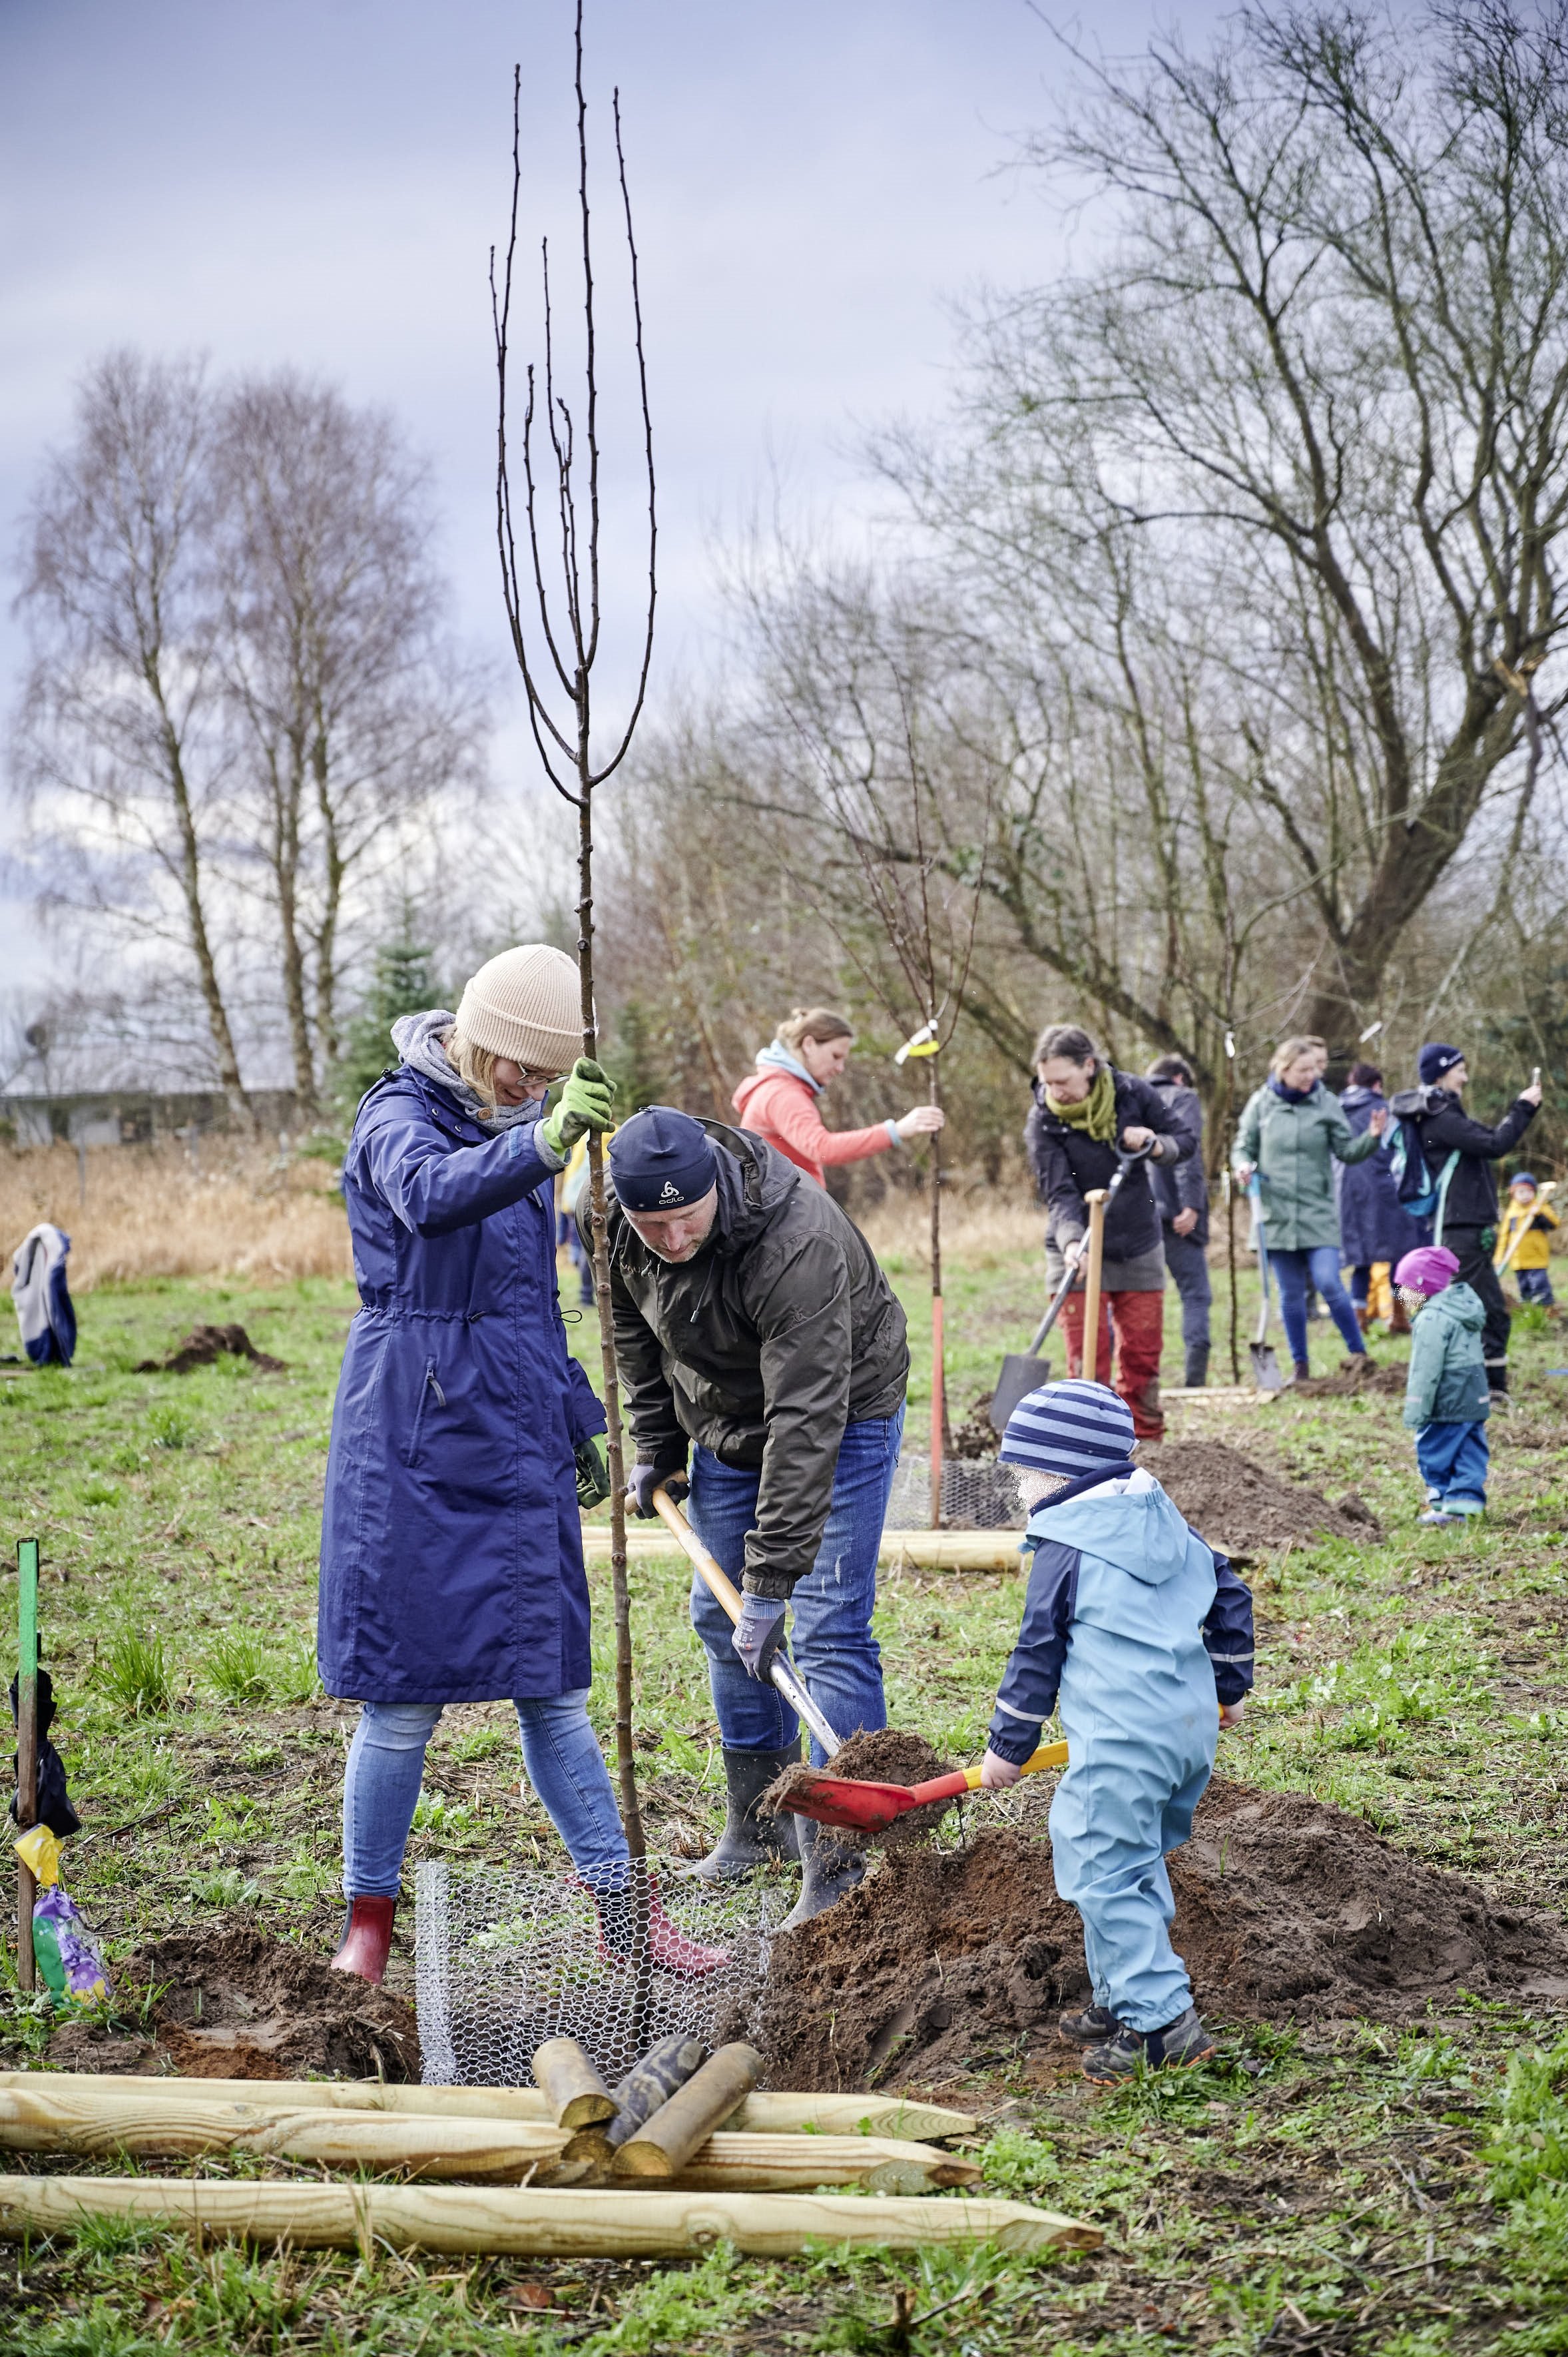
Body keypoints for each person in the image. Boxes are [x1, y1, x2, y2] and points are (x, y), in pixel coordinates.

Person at [319, 945, 724, 1986]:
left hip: (515, 1435)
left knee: (552, 1689)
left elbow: (530, 1305)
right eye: (518, 1067)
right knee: (401, 1697)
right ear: (476, 1036)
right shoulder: (397, 1113)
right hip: (413, 1439)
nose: (528, 1087)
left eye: (546, 1077)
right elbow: (429, 1195)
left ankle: (625, 1916)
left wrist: (572, 1416)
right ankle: (369, 1918)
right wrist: (541, 1143)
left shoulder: (523, 1125)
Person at [602, 1104, 909, 1928]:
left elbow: (807, 1418)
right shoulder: (621, 1227)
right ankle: (760, 1823)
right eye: (652, 1225)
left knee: (829, 1626)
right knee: (722, 1614)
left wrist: (771, 1580)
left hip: (842, 1411)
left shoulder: (795, 1239)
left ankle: (841, 1864)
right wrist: (659, 1442)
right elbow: (634, 1332)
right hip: (725, 1417)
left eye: (687, 1219)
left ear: (715, 1184)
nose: (672, 1239)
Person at [977, 1379, 1254, 2081]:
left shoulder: (1065, 1546)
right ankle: (1120, 1996)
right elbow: (1230, 1592)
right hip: (1186, 1732)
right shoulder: (1163, 1519)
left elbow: (1036, 1652)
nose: (1020, 1489)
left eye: (1025, 1473)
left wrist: (1007, 1747)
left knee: (1100, 1866)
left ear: (1061, 1475)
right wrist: (1227, 1689)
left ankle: (1163, 2025)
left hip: (1122, 1743)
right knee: (1131, 1861)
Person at [1025, 1024, 1198, 1441]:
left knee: (1142, 1351)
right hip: (1076, 1245)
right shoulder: (1043, 1120)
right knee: (1088, 1354)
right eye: (1048, 1083)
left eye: (1062, 1081)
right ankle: (1090, 1442)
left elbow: (1185, 1140)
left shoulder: (1133, 1094)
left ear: (1089, 1066)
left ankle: (1146, 1440)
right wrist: (1072, 1242)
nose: (1054, 1092)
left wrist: (1155, 1144)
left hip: (1137, 1240)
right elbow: (1059, 1192)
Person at [1232, 1036, 1386, 1383]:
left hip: (1317, 1212)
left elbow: (1347, 1151)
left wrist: (1372, 1138)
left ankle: (1359, 1356)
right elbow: (1243, 1146)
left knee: (1329, 1282)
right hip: (1276, 1215)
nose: (1311, 1076)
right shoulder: (1261, 1103)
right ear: (1283, 1069)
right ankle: (1300, 1368)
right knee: (1290, 1295)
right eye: (1303, 1070)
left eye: (1314, 1069)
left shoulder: (1326, 1102)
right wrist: (1242, 1165)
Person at [1392, 1043, 1542, 1397]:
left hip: (1464, 1228)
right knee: (1490, 1313)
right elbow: (1495, 1144)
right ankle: (1489, 1391)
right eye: (1460, 1070)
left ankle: (1475, 1385)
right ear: (1441, 1075)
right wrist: (1523, 1107)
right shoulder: (1442, 1119)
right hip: (1461, 1231)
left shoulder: (1441, 1115)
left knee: (1481, 1311)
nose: (1466, 1077)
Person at [731, 1006, 944, 1188]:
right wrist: (896, 1131)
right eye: (836, 1056)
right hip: (785, 1216)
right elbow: (823, 1148)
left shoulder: (776, 1088)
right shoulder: (783, 1094)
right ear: (809, 1045)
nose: (840, 1068)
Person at [1395, 1244, 1491, 1526]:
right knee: (1468, 1448)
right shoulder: (1462, 1307)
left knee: (1436, 1448)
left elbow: (1426, 1371)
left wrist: (1417, 1410)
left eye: (1404, 1288)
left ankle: (1444, 1502)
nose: (1400, 1295)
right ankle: (1465, 1502)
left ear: (1423, 1286)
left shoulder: (1431, 1318)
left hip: (1448, 1397)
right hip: (1474, 1393)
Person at [1336, 1062, 1422, 1336]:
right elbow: (1402, 1153)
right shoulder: (1385, 1110)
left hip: (1346, 1194)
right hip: (1386, 1192)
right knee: (1402, 1254)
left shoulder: (1335, 1111)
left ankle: (1359, 1322)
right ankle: (1402, 1315)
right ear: (1376, 1085)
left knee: (1362, 1261)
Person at [1145, 1054, 1211, 1389]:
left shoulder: (1131, 1098)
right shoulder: (1183, 1098)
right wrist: (1191, 1205)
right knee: (1196, 1294)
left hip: (1137, 1216)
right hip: (1174, 1216)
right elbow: (1188, 1155)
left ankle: (1135, 1382)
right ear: (1180, 1078)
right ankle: (1194, 1381)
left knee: (1138, 1298)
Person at [1494, 1172, 1560, 1307]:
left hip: (1537, 1258)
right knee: (1524, 1286)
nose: (1525, 1195)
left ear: (1534, 1193)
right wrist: (1499, 1258)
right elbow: (1503, 1237)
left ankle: (1545, 1307)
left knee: (1539, 1284)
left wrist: (1539, 1213)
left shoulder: (1540, 1208)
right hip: (1518, 1259)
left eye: (1529, 1191)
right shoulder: (1511, 1213)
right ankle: (1528, 1307)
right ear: (1513, 1194)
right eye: (1521, 1192)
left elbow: (1554, 1224)